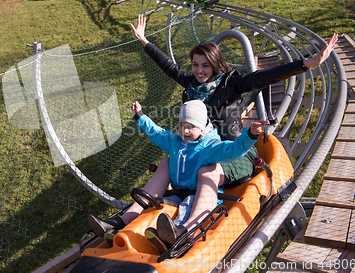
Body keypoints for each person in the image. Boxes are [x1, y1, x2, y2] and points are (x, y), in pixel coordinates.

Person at [89, 15, 338, 250]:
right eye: (196, 65)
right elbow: (169, 66)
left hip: (233, 152)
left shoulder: (232, 83)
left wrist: (307, 64)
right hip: (199, 150)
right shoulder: (192, 85)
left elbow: (265, 77)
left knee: (207, 169)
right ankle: (125, 219)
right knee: (166, 163)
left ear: (215, 64)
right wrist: (144, 41)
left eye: (205, 65)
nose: (199, 71)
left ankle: (188, 228)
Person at [89, 100, 268, 252]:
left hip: (198, 196)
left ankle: (185, 231)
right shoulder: (176, 141)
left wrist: (251, 134)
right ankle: (121, 222)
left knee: (187, 208)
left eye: (191, 127)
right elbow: (156, 134)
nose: (185, 131)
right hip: (176, 192)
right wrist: (140, 117)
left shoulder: (209, 147)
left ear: (202, 127)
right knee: (164, 170)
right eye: (182, 125)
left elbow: (233, 151)